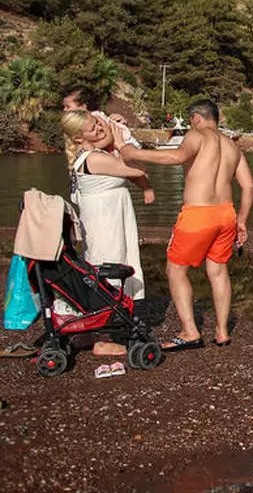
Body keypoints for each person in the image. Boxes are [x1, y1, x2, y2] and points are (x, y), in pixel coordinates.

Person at [115, 99, 253, 350]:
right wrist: (242, 221)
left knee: (175, 270)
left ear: (196, 118)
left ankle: (190, 332)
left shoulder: (197, 134)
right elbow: (248, 186)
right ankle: (222, 332)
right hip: (226, 214)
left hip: (198, 214)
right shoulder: (232, 147)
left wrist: (133, 153)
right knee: (218, 270)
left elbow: (177, 156)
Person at [60, 110, 155, 357]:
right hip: (106, 223)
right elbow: (138, 170)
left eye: (99, 123)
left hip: (107, 218)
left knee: (106, 267)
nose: (100, 129)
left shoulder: (93, 155)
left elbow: (132, 169)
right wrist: (120, 142)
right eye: (93, 127)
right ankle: (104, 339)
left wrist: (111, 129)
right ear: (80, 137)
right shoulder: (94, 159)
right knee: (108, 270)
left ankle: (93, 330)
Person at [61, 85, 141, 151]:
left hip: (126, 143)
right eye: (64, 107)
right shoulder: (85, 121)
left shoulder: (95, 117)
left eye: (68, 107)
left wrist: (90, 147)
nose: (64, 110)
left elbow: (108, 138)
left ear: (83, 106)